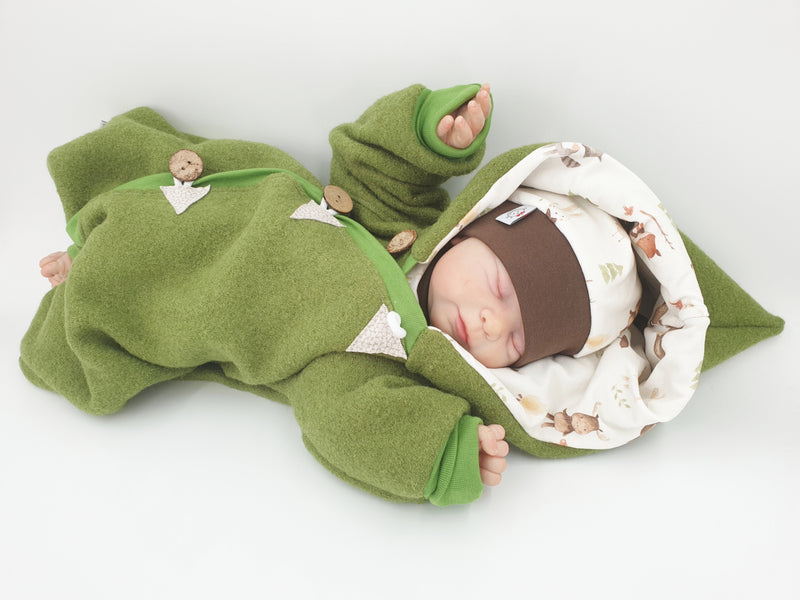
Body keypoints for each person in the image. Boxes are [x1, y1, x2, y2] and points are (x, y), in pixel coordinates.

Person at [21, 82, 711, 506]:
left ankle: (83, 273)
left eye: (517, 339)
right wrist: (429, 135)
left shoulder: (382, 363)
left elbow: (345, 420)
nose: (486, 322)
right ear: (473, 227)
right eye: (500, 287)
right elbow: (370, 161)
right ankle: (91, 243)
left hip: (194, 299)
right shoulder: (402, 222)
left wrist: (439, 451)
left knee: (132, 299)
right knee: (146, 213)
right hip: (218, 204)